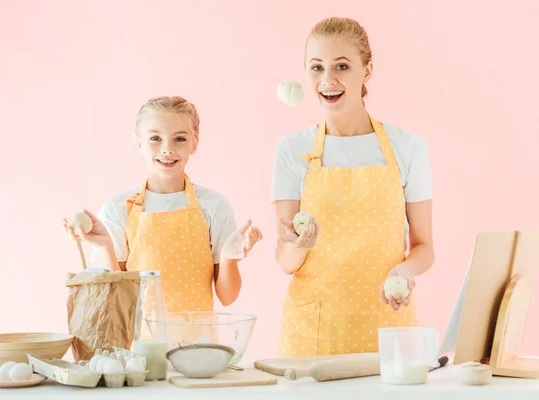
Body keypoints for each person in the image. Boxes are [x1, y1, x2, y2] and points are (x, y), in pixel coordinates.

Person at [272, 17, 434, 357]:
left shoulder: (408, 148)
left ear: (367, 70)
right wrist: (301, 245)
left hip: (388, 323)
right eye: (316, 68)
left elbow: (424, 247)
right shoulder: (291, 150)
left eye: (341, 66)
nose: (327, 80)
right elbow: (285, 260)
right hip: (313, 332)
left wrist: (404, 269)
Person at [63, 96, 263, 311]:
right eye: (155, 138)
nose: (167, 149)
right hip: (138, 343)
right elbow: (115, 300)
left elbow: (228, 296)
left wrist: (227, 257)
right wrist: (106, 248)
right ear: (139, 142)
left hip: (197, 342)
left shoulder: (214, 206)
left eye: (179, 139)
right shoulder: (118, 208)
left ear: (195, 143)